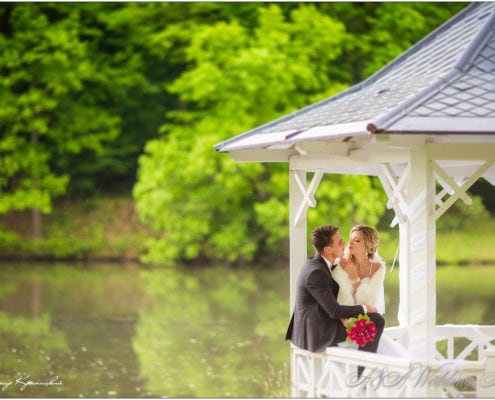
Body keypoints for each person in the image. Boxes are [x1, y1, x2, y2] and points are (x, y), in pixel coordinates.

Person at [285, 225, 385, 356]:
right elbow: (334, 310)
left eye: (355, 240)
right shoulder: (318, 271)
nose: (346, 243)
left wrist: (355, 277)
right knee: (377, 321)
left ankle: (361, 367)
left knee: (371, 323)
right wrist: (365, 308)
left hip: (323, 319)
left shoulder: (320, 265)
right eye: (340, 241)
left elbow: (331, 298)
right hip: (316, 331)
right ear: (327, 250)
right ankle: (362, 369)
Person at [333, 224, 407, 357]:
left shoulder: (378, 267)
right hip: (341, 314)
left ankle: (362, 371)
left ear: (369, 246)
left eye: (357, 240)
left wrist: (354, 276)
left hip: (362, 313)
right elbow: (337, 297)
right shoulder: (340, 263)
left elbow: (369, 300)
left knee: (375, 323)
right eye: (350, 238)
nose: (350, 243)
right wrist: (347, 321)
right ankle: (359, 370)